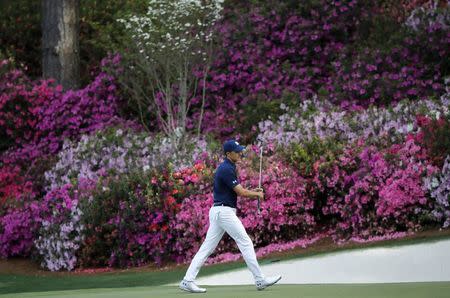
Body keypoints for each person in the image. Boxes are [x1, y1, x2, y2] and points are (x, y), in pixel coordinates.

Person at [179, 139, 282, 293]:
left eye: (240, 150)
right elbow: (241, 192)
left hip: (219, 211)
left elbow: (236, 190)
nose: (240, 153)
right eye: (237, 151)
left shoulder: (229, 167)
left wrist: (254, 191)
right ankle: (260, 280)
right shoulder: (226, 169)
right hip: (223, 212)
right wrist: (257, 194)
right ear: (228, 154)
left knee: (207, 248)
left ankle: (187, 281)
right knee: (245, 242)